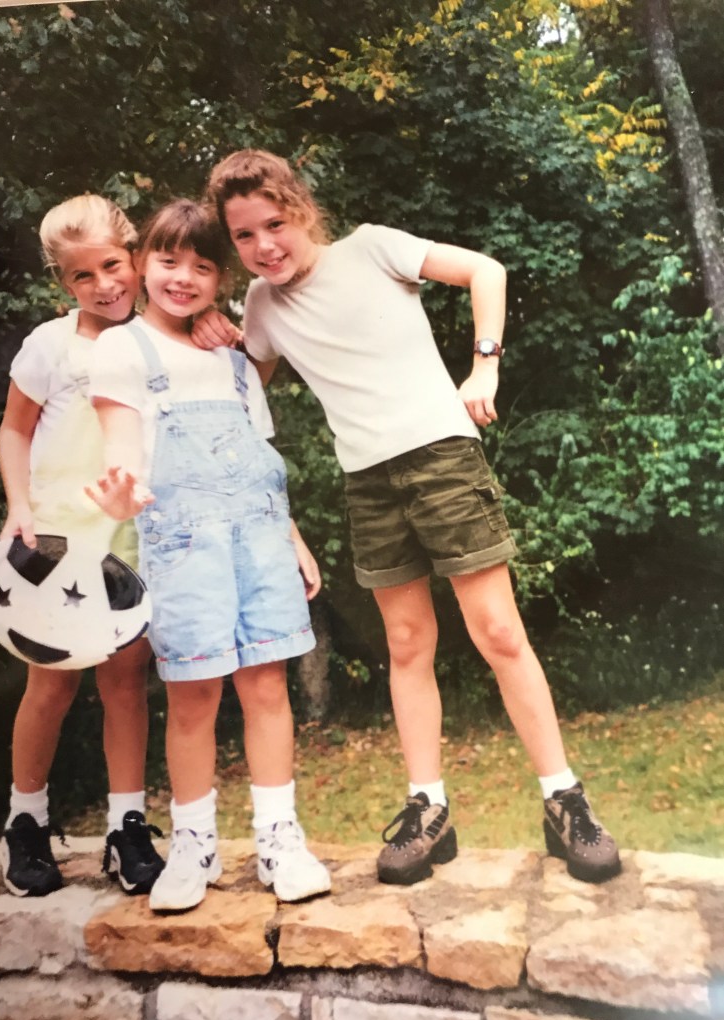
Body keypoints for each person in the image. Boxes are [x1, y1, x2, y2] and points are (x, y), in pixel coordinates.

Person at [197, 148, 622, 887]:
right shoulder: (260, 307)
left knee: (498, 632)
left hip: (442, 457)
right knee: (404, 641)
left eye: (273, 224)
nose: (264, 245)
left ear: (300, 209)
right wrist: (200, 324)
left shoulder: (371, 248)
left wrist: (484, 364)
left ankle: (565, 802)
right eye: (244, 236)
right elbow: (243, 395)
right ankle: (429, 809)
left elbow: (485, 270)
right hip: (367, 481)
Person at [84, 198, 331, 912]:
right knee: (193, 696)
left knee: (267, 687)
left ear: (221, 279)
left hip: (260, 539)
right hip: (184, 549)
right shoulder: (123, 349)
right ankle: (194, 845)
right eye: (168, 261)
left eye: (201, 266)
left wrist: (293, 539)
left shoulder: (234, 359)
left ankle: (279, 839)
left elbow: (261, 462)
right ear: (142, 264)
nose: (183, 278)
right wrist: (122, 495)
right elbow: (122, 450)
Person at [0, 195, 164, 898]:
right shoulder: (51, 345)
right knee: (51, 683)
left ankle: (127, 828)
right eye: (82, 275)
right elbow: (15, 430)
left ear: (136, 258)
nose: (103, 284)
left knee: (126, 683)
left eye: (112, 266)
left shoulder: (158, 339)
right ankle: (25, 820)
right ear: (63, 281)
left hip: (129, 543)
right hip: (55, 545)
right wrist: (19, 507)